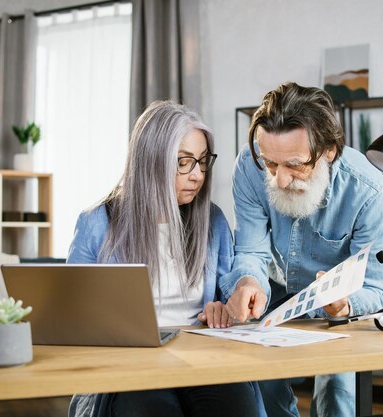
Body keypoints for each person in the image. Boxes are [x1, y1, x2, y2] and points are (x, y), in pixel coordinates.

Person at [67, 100, 267, 417]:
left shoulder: (212, 221)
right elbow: (71, 313)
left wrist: (222, 309)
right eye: (184, 162)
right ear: (151, 160)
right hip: (130, 362)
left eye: (202, 162)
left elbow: (227, 293)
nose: (197, 175)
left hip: (202, 355)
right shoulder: (97, 222)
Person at [221, 82, 383, 417]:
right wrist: (247, 283)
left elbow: (375, 287)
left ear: (328, 150)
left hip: (336, 309)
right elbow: (252, 252)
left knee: (338, 395)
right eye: (271, 164)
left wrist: (342, 306)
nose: (281, 180)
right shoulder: (249, 166)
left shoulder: (369, 191)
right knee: (260, 384)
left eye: (295, 165)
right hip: (274, 291)